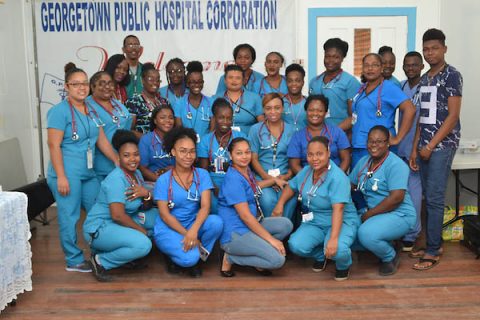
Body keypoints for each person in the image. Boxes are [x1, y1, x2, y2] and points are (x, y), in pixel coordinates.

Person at [46, 63, 118, 272]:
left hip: (88, 172)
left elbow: (101, 139)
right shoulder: (58, 112)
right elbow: (53, 145)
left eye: (85, 83)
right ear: (67, 87)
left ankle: (100, 249)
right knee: (70, 216)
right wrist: (60, 176)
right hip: (67, 173)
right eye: (76, 84)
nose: (82, 88)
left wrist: (116, 160)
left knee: (99, 209)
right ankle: (73, 259)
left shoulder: (92, 108)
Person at [410, 29, 463, 270]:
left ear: (444, 49)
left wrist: (431, 146)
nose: (430, 53)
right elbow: (421, 118)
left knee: (434, 198)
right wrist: (415, 149)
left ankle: (432, 251)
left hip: (442, 146)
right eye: (426, 49)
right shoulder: (424, 79)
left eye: (434, 48)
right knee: (425, 197)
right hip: (424, 147)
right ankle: (434, 242)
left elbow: (452, 116)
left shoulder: (452, 75)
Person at [273, 136, 359, 281]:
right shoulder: (307, 171)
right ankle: (322, 255)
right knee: (296, 245)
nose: (314, 158)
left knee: (337, 249)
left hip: (341, 220)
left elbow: (338, 210)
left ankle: (343, 265)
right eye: (310, 154)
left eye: (319, 154)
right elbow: (291, 187)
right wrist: (279, 204)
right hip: (316, 221)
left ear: (328, 153)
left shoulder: (338, 178)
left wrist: (333, 239)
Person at [84, 130, 157, 282]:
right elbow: (117, 215)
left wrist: (146, 194)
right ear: (118, 157)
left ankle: (126, 254)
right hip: (101, 226)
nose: (132, 159)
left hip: (124, 219)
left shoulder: (136, 174)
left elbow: (144, 204)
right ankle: (100, 260)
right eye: (126, 155)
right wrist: (141, 231)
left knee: (159, 219)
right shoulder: (116, 179)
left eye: (136, 154)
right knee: (144, 244)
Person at [153, 127, 223, 277]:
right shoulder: (163, 180)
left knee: (216, 222)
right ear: (173, 152)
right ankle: (179, 256)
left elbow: (205, 207)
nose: (188, 156)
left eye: (192, 151)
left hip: (192, 224)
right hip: (169, 228)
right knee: (188, 260)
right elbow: (165, 215)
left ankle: (198, 256)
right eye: (183, 151)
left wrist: (193, 231)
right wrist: (188, 234)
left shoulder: (202, 175)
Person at [218, 137, 293, 277]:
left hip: (252, 224)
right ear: (230, 155)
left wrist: (273, 180)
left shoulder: (245, 171)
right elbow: (245, 217)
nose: (244, 156)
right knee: (277, 260)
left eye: (247, 152)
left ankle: (258, 258)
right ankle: (230, 257)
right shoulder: (233, 179)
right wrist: (272, 241)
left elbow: (253, 186)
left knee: (285, 224)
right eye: (239, 153)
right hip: (236, 233)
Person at [350, 126, 416, 276]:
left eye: (379, 141)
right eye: (371, 141)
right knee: (349, 234)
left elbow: (396, 198)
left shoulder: (396, 165)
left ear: (388, 143)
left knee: (366, 234)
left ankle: (389, 256)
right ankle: (388, 242)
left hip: (399, 213)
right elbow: (350, 184)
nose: (374, 145)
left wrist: (369, 215)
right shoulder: (364, 162)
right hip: (374, 214)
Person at [349, 53, 416, 167]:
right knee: (358, 182)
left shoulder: (388, 88)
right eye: (366, 65)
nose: (370, 68)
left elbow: (410, 109)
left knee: (379, 183)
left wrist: (398, 138)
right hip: (359, 146)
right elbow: (357, 116)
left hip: (379, 148)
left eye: (374, 65)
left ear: (381, 68)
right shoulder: (361, 89)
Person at [248, 93, 296, 219]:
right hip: (262, 177)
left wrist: (287, 176)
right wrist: (268, 178)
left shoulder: (292, 130)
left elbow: (295, 159)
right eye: (268, 108)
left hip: (285, 177)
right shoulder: (255, 130)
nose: (273, 112)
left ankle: (284, 235)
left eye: (277, 107)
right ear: (263, 110)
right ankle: (270, 235)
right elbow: (253, 158)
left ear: (283, 109)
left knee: (290, 200)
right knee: (267, 200)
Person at [198, 98, 246, 214]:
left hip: (236, 180)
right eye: (221, 118)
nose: (225, 122)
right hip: (213, 183)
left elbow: (245, 167)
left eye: (229, 118)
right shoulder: (205, 140)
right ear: (214, 119)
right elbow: (203, 171)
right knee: (214, 207)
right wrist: (214, 187)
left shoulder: (241, 137)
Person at [398, 51, 424, 252]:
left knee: (415, 192)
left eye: (414, 65)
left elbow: (422, 122)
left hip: (417, 148)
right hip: (401, 147)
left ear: (422, 66)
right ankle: (401, 230)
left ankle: (412, 234)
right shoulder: (402, 86)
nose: (410, 68)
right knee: (402, 191)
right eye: (407, 65)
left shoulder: (427, 87)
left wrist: (415, 148)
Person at [86, 71, 132, 181]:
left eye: (110, 83)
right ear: (92, 87)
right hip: (101, 166)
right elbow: (98, 137)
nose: (107, 87)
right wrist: (116, 159)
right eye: (102, 83)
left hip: (122, 163)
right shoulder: (87, 106)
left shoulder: (117, 103)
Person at [288, 95, 350, 175]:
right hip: (307, 180)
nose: (315, 114)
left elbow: (346, 159)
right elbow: (294, 165)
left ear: (326, 112)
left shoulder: (337, 132)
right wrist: (308, 180)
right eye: (311, 110)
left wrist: (337, 178)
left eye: (320, 111)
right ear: (306, 111)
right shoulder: (297, 136)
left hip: (335, 179)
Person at [309, 38, 361, 130]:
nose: (330, 60)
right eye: (327, 56)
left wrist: (334, 133)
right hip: (317, 134)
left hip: (342, 134)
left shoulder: (350, 82)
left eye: (336, 57)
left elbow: (353, 116)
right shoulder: (314, 82)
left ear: (342, 58)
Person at [216, 64, 264, 135]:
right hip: (223, 137)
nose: (234, 80)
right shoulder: (216, 98)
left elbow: (261, 123)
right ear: (225, 80)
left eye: (238, 78)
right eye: (230, 77)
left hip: (248, 138)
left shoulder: (255, 98)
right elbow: (212, 124)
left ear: (244, 81)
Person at [126, 63, 170, 138]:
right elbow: (129, 130)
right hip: (143, 145)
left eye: (157, 79)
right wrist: (149, 140)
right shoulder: (133, 102)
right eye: (151, 79)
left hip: (164, 145)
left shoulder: (164, 102)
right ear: (142, 80)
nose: (155, 82)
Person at [174, 61, 213, 139]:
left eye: (199, 82)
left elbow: (212, 130)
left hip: (205, 146)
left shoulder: (211, 102)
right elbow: (179, 129)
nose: (196, 85)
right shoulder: (179, 103)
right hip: (186, 145)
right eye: (193, 82)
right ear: (187, 84)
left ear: (203, 83)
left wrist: (205, 145)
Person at [138, 105, 175, 182]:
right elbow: (142, 168)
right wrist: (160, 181)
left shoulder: (178, 139)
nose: (168, 120)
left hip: (177, 179)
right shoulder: (146, 140)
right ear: (155, 120)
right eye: (162, 117)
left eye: (171, 118)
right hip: (154, 181)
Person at [282, 63, 307, 132]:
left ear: (303, 82)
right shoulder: (280, 102)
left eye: (298, 81)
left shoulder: (309, 102)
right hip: (285, 141)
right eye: (290, 81)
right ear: (286, 82)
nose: (294, 84)